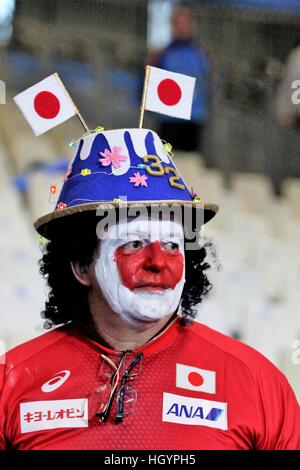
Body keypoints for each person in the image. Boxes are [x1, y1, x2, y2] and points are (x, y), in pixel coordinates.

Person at [0, 127, 299, 450]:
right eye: (134, 244)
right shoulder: (11, 380)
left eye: (172, 245)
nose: (158, 262)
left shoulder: (255, 380)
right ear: (81, 266)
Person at [152, 3, 212, 152]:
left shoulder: (201, 53)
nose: (181, 27)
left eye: (185, 23)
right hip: (168, 118)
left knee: (190, 161)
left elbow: (210, 82)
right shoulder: (162, 53)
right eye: (178, 23)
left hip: (193, 118)